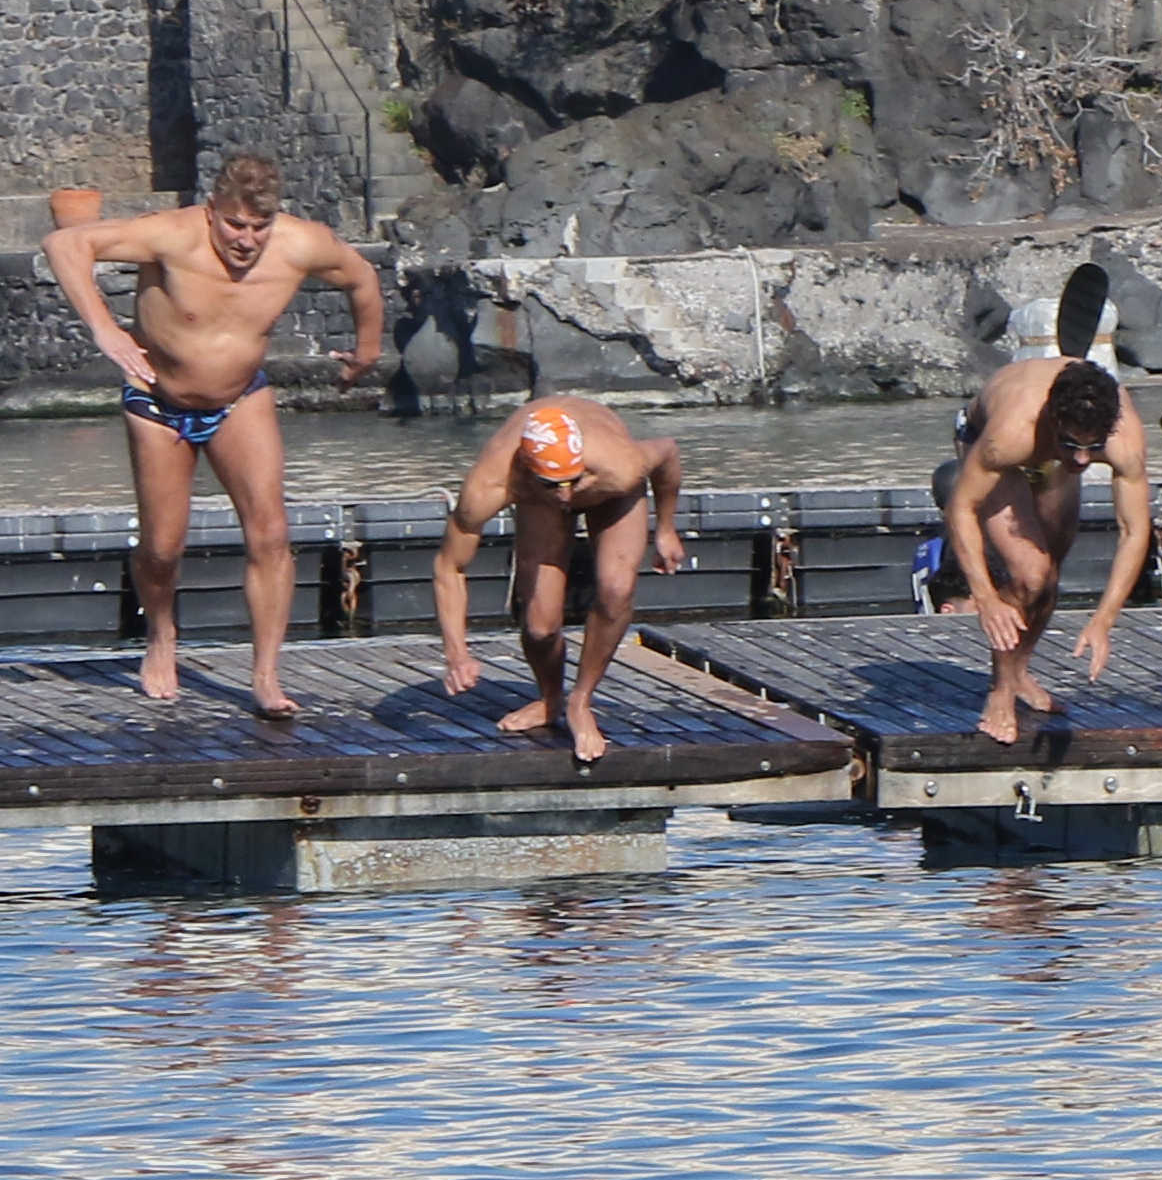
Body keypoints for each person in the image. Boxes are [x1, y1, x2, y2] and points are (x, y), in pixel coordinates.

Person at [45, 155, 386, 717]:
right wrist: (105, 330)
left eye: (258, 227)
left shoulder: (302, 244)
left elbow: (361, 277)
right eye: (234, 225)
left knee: (271, 533)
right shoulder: (171, 234)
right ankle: (160, 635)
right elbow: (66, 245)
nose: (246, 240)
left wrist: (367, 350)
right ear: (211, 213)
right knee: (162, 546)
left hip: (240, 400)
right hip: (158, 402)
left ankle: (266, 676)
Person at [431, 395, 684, 765]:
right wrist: (457, 654)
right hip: (536, 498)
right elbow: (449, 567)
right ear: (526, 468)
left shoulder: (617, 463)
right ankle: (550, 700)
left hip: (606, 489)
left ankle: (580, 702)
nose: (566, 496)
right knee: (539, 626)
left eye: (571, 482)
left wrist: (665, 528)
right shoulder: (491, 484)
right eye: (555, 485)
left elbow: (668, 453)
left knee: (617, 589)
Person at [939, 352, 1157, 743]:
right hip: (987, 442)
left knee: (1049, 576)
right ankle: (1000, 692)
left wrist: (1104, 620)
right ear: (1055, 421)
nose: (1082, 459)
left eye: (1092, 449)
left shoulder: (1122, 440)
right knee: (1030, 574)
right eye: (1071, 444)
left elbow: (1134, 531)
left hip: (1047, 455)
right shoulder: (1010, 434)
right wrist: (986, 597)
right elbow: (961, 508)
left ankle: (1019, 672)